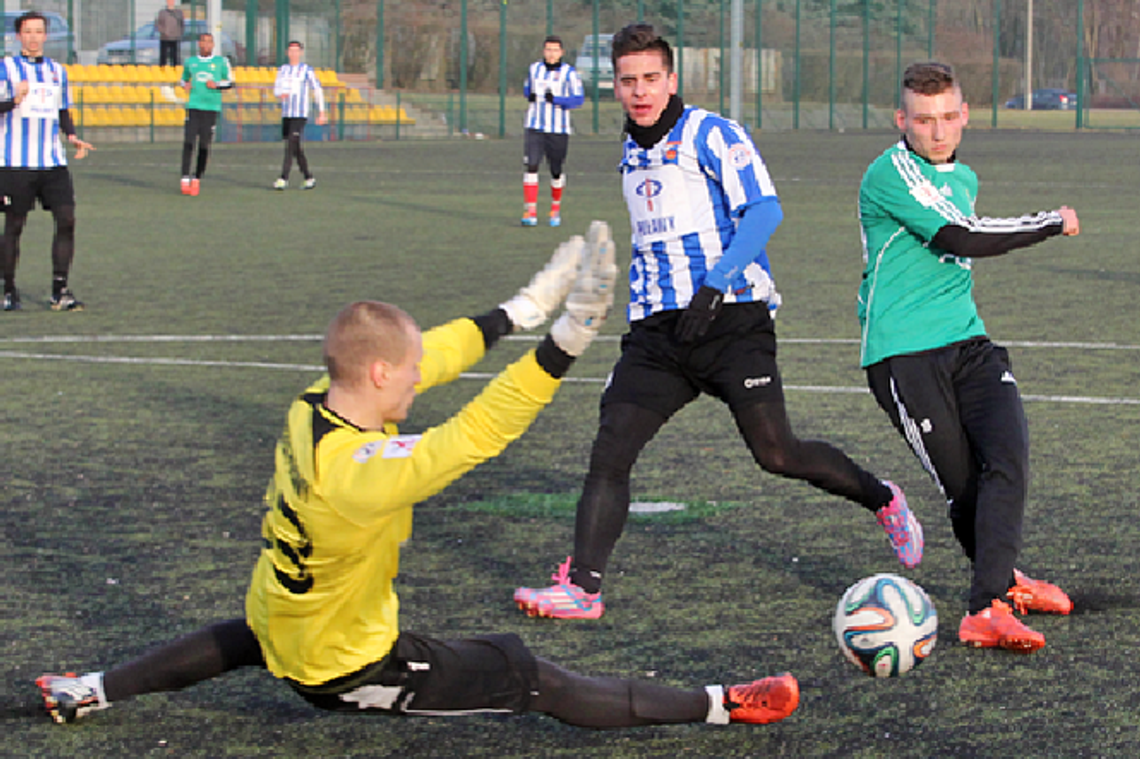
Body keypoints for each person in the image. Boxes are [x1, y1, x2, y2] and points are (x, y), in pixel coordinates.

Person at [37, 222, 800, 730]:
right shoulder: (359, 475)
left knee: (244, 637)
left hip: (281, 616)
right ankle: (721, 705)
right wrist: (564, 342)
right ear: (376, 372)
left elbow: (420, 355)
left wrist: (521, 308)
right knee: (527, 673)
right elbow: (472, 435)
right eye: (403, 377)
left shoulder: (314, 405)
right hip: (348, 665)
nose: (415, 383)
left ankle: (91, 688)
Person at [514, 24, 923, 621]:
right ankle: (582, 588)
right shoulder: (630, 149)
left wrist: (717, 281)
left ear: (671, 79)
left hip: (731, 321)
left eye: (651, 78)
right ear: (616, 88)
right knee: (610, 451)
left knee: (776, 452)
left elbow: (764, 209)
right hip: (659, 335)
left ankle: (883, 499)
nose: (639, 91)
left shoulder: (710, 132)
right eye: (628, 81)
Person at [856, 61, 1077, 652]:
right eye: (923, 120)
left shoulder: (965, 175)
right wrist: (1050, 223)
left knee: (1008, 458)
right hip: (903, 355)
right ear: (902, 120)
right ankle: (1001, 585)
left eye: (948, 117)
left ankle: (990, 602)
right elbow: (961, 236)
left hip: (969, 342)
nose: (937, 131)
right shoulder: (888, 174)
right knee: (967, 491)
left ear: (964, 116)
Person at [0, 10, 95, 313]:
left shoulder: (57, 71)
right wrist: (12, 100)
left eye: (38, 31)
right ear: (19, 36)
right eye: (27, 31)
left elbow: (62, 111)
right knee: (14, 225)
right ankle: (9, 290)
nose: (33, 37)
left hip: (52, 162)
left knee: (67, 219)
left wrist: (72, 136)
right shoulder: (6, 69)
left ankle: (60, 291)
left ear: (45, 35)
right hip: (15, 163)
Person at [520, 35, 584, 228]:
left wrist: (556, 100)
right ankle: (530, 211)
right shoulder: (534, 69)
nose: (551, 53)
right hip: (534, 126)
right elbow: (526, 88)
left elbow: (578, 99)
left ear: (561, 52)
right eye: (548, 49)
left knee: (556, 170)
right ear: (543, 51)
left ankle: (555, 208)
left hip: (558, 128)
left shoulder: (569, 73)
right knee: (531, 165)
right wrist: (528, 94)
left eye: (555, 50)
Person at [178, 33, 232, 197]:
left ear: (213, 45)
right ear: (199, 44)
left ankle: (197, 177)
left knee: (204, 144)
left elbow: (230, 82)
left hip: (211, 107)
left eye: (209, 42)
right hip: (194, 106)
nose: (206, 45)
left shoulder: (221, 62)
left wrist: (216, 84)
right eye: (204, 42)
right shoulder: (191, 62)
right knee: (189, 140)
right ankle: (184, 177)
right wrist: (185, 84)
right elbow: (183, 79)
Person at [272, 41, 327, 191]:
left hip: (300, 114)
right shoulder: (282, 70)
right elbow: (276, 89)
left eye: (296, 51)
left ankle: (283, 178)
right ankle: (308, 177)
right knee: (295, 147)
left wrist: (321, 112)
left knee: (290, 144)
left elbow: (317, 90)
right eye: (291, 51)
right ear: (287, 53)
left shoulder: (306, 70)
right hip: (287, 114)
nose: (293, 54)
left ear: (301, 53)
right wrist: (280, 94)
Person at [155, 0, 185, 68]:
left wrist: (179, 33)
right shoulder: (162, 13)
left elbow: (182, 24)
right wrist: (164, 32)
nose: (170, 2)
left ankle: (175, 69)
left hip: (175, 37)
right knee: (163, 55)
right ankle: (162, 69)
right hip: (165, 37)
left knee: (175, 55)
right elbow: (158, 24)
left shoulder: (179, 13)